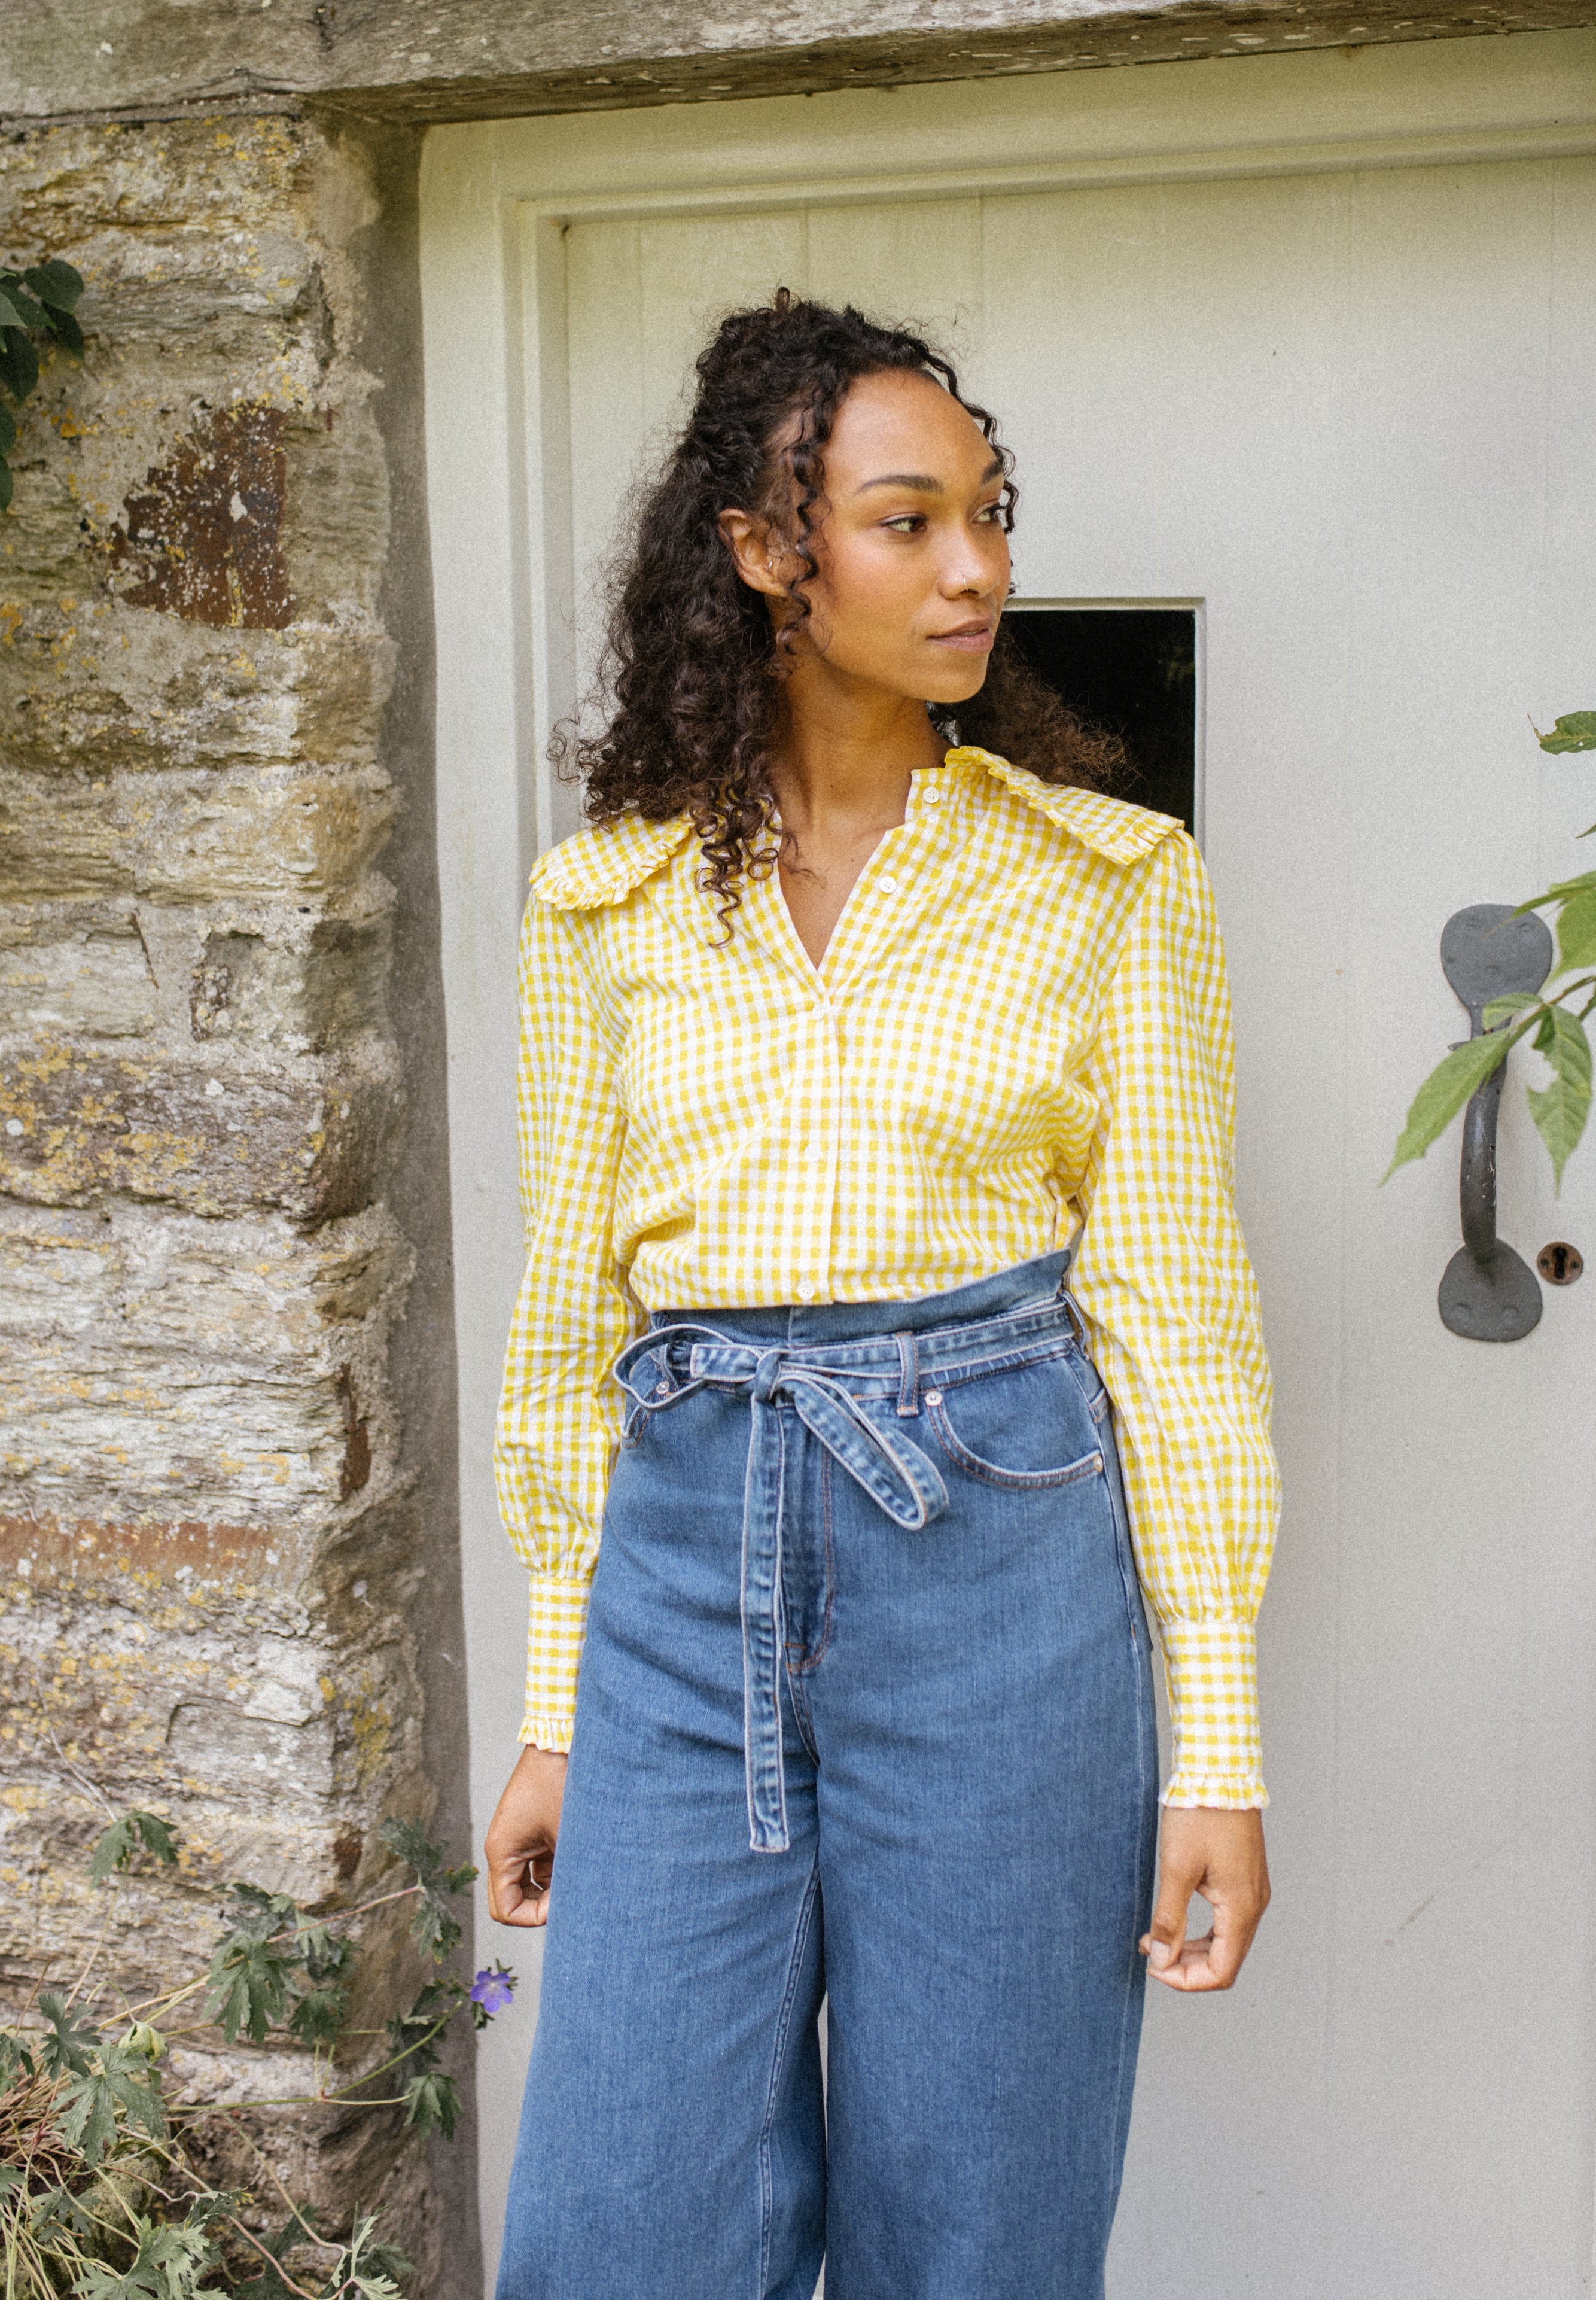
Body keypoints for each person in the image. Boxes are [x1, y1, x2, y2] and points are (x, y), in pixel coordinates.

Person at [485, 292, 1279, 2300]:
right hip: (677, 1593)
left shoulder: (1110, 884)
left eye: (988, 515)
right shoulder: (607, 898)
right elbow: (569, 1333)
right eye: (910, 521)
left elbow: (1177, 1316)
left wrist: (1218, 1750)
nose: (980, 567)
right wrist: (559, 1711)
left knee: (977, 2229)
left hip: (1001, 1585)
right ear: (766, 551)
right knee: (624, 2224)